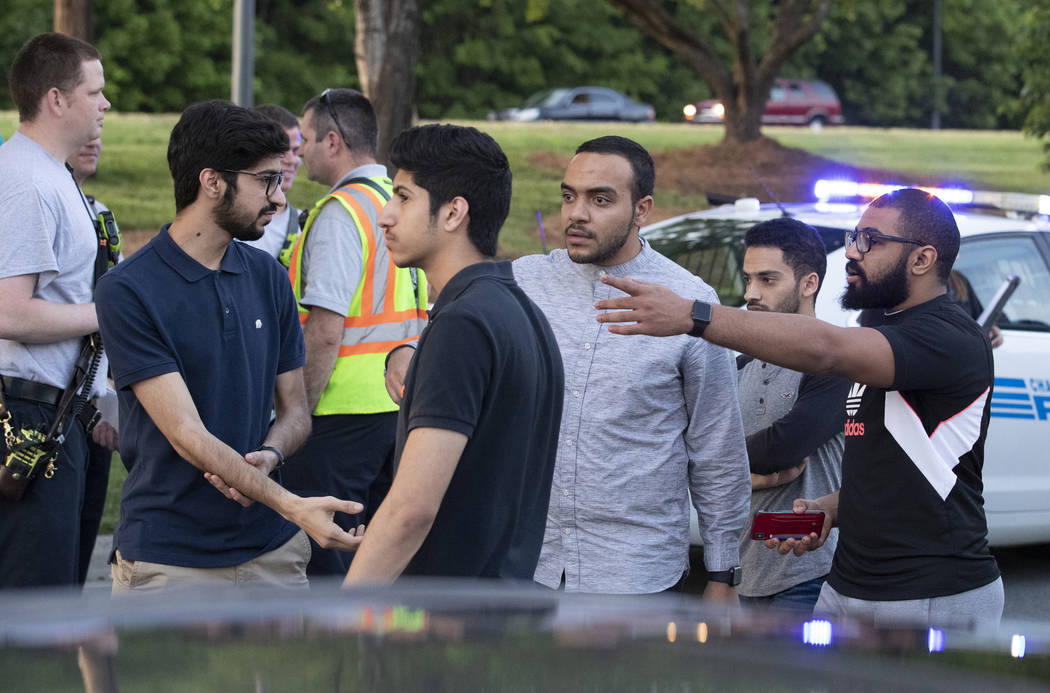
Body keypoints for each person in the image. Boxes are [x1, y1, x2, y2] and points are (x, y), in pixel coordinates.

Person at [594, 188, 1003, 627]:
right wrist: (834, 508)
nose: (851, 252)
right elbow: (907, 474)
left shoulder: (947, 336)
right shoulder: (887, 331)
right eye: (854, 236)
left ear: (922, 259)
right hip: (848, 587)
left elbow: (826, 348)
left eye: (871, 240)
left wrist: (693, 316)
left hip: (927, 596)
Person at [95, 100, 364, 593]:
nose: (280, 199)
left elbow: (296, 412)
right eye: (267, 180)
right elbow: (187, 435)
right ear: (212, 181)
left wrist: (271, 452)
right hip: (170, 561)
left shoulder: (267, 276)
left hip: (273, 555)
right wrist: (294, 506)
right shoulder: (129, 289)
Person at [516, 136, 750, 596]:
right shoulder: (525, 283)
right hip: (529, 564)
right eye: (569, 196)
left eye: (600, 199)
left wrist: (722, 575)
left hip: (635, 574)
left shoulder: (689, 302)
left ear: (642, 209)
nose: (576, 214)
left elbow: (716, 447)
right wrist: (400, 354)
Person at [343, 124, 563, 584]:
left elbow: (410, 510)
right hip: (493, 614)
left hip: (441, 627)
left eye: (403, 197)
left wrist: (349, 612)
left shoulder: (463, 324)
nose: (385, 215)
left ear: (453, 213)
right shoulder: (520, 311)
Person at [283, 89, 427, 579]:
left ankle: (336, 650)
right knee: (377, 558)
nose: (297, 152)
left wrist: (294, 415)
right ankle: (376, 649)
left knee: (327, 556)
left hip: (337, 415)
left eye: (303, 140)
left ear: (332, 141)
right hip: (395, 407)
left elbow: (325, 329)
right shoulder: (397, 202)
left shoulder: (341, 213)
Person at [0, 33, 112, 589]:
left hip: (54, 417)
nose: (105, 105)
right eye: (95, 92)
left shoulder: (51, 175)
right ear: (56, 99)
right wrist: (110, 313)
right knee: (32, 616)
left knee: (55, 604)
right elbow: (9, 313)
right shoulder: (25, 181)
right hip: (24, 418)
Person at [733, 218, 847, 612]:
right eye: (748, 280)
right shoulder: (742, 365)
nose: (751, 293)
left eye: (767, 280)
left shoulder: (835, 362)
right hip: (745, 572)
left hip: (809, 575)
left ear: (808, 284)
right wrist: (738, 469)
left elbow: (786, 446)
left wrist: (717, 462)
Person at [66, 136, 122, 586]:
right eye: (83, 135)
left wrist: (103, 403)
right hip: (48, 408)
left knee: (81, 535)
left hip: (89, 406)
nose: (94, 141)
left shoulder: (100, 214)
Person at [240, 104, 302, 263]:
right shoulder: (232, 222)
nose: (292, 160)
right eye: (281, 152)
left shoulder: (306, 224)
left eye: (295, 151)